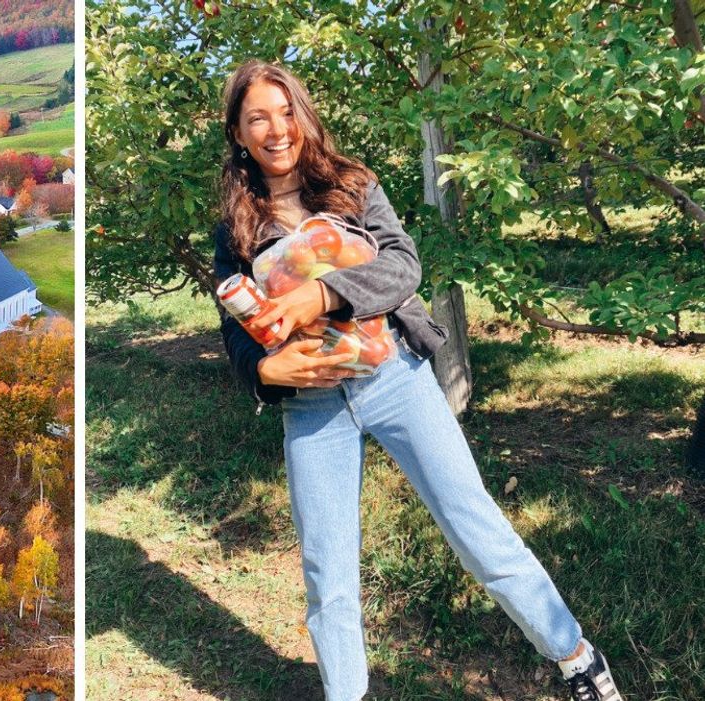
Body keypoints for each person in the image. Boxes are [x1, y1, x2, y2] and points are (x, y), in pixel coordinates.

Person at [212, 59, 623, 701]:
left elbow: (403, 267)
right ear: (238, 132)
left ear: (304, 114)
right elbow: (235, 328)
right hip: (312, 408)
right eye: (257, 117)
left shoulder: (351, 185)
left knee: (474, 527)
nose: (276, 129)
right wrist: (264, 369)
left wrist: (323, 294)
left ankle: (577, 659)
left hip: (394, 379)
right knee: (328, 572)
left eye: (286, 110)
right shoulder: (235, 227)